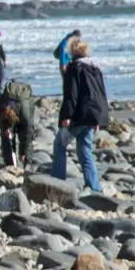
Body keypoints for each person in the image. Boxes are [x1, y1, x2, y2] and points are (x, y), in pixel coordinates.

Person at [55, 38, 109, 192]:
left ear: (73, 51)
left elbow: (71, 94)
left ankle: (57, 182)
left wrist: (66, 116)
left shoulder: (75, 67)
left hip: (80, 115)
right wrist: (98, 119)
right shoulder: (95, 68)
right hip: (93, 115)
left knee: (60, 144)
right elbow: (101, 94)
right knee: (84, 149)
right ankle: (94, 187)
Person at [0, 78, 36, 169]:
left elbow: (28, 132)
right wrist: (4, 128)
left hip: (25, 105)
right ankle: (10, 165)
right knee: (6, 138)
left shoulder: (25, 112)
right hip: (6, 112)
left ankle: (28, 165)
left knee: (26, 137)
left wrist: (23, 152)